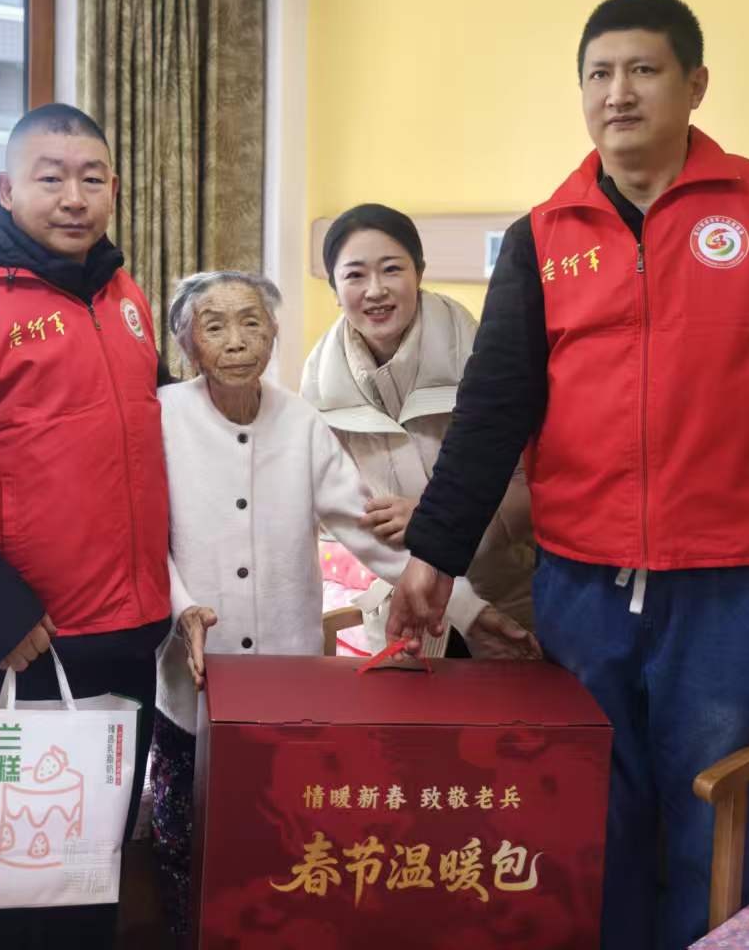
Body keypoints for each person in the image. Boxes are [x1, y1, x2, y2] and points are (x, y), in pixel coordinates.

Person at [387, 0, 749, 949]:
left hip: (730, 584)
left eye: (643, 70)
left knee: (715, 815)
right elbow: (492, 412)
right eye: (598, 73)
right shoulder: (542, 236)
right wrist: (433, 554)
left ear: (695, 85)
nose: (617, 92)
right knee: (588, 812)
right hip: (580, 585)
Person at [149, 270, 540, 943]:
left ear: (275, 333)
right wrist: (181, 606)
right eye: (214, 326)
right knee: (184, 843)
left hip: (285, 684)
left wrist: (469, 610)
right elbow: (138, 538)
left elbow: (367, 528)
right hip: (192, 681)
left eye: (251, 322)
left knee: (282, 841)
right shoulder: (160, 417)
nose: (236, 341)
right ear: (186, 343)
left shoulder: (298, 419)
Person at [0, 102, 171, 949]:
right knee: (2, 889)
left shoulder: (126, 297)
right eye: (50, 178)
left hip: (127, 635)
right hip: (18, 641)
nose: (73, 197)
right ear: (7, 189)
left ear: (114, 188)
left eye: (91, 178)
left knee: (88, 876)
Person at [302, 204, 537, 650]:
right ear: (334, 287)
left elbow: (538, 488)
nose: (375, 290)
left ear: (419, 273)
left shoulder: (487, 359)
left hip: (508, 597)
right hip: (407, 606)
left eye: (392, 269)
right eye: (354, 275)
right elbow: (342, 510)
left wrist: (435, 521)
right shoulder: (319, 386)